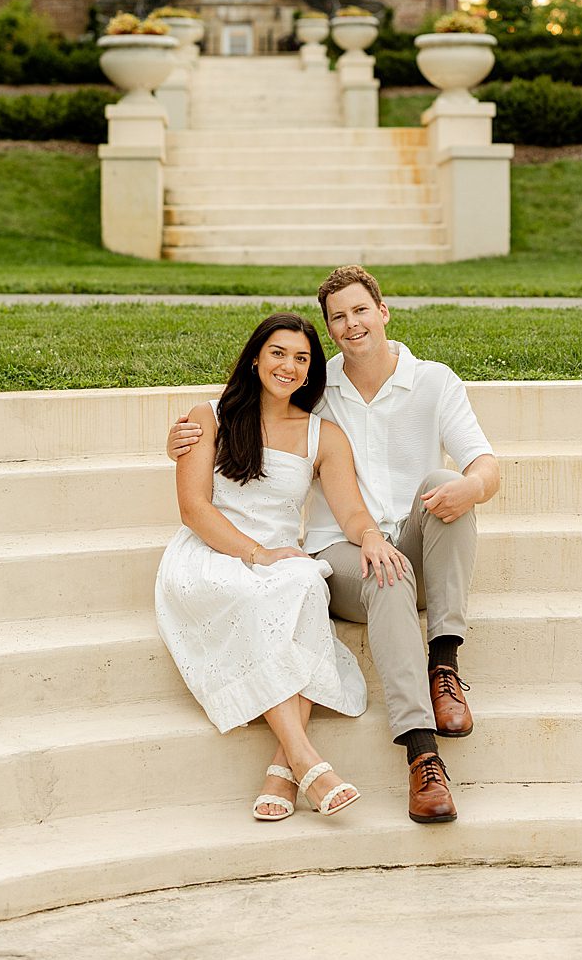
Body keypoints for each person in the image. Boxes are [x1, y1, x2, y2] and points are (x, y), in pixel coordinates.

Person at [167, 265, 502, 824]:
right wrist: (179, 442)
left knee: (447, 484)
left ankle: (444, 665)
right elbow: (236, 429)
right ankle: (422, 756)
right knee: (384, 572)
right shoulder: (317, 390)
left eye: (360, 310)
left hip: (395, 543)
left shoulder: (432, 382)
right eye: (338, 317)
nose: (351, 324)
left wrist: (473, 486)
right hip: (331, 556)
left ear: (383, 311)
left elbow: (482, 464)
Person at [154, 311, 410, 820]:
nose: (288, 366)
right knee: (262, 592)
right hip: (210, 554)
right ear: (255, 358)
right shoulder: (209, 417)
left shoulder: (323, 435)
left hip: (280, 557)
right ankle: (303, 758)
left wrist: (370, 538)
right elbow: (193, 509)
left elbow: (351, 511)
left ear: (312, 370)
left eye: (302, 358)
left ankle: (284, 766)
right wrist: (258, 554)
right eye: (278, 353)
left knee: (307, 585)